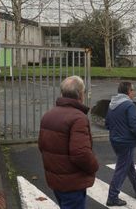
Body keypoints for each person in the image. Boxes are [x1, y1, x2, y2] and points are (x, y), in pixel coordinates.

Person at [38, 75, 99, 209]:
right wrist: (94, 165)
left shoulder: (48, 115)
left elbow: (42, 145)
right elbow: (81, 153)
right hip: (72, 182)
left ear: (62, 93)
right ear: (81, 95)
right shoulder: (78, 118)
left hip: (55, 179)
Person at [105, 81, 136, 207]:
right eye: (133, 90)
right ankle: (112, 197)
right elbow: (134, 125)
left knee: (128, 165)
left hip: (115, 140)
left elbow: (107, 123)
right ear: (129, 92)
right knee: (122, 168)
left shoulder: (112, 104)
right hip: (127, 142)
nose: (134, 92)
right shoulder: (129, 105)